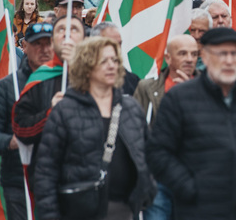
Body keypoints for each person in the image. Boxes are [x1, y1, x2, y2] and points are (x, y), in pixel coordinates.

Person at [148, 27, 236, 220]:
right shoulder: (180, 98)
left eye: (234, 54)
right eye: (221, 54)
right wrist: (189, 187)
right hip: (198, 211)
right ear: (206, 57)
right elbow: (159, 152)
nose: (229, 61)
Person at [34, 37, 156, 220]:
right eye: (103, 61)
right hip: (78, 213)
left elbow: (148, 154)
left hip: (125, 212)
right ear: (86, 66)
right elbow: (46, 173)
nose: (111, 65)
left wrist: (147, 190)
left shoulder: (131, 108)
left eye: (114, 60)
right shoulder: (65, 111)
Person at [0, 22, 54, 220]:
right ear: (25, 47)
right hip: (19, 181)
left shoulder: (67, 83)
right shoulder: (7, 86)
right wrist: (10, 142)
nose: (44, 49)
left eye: (48, 43)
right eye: (37, 44)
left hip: (57, 179)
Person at [13, 14, 86, 187]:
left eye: (74, 29)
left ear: (84, 38)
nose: (67, 34)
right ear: (53, 41)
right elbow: (21, 128)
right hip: (49, 177)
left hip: (89, 175)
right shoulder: (39, 78)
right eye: (61, 30)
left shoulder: (98, 75)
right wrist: (49, 114)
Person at [91, 22, 141, 96]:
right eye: (111, 44)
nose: (117, 49)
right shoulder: (81, 82)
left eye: (119, 44)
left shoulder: (133, 81)